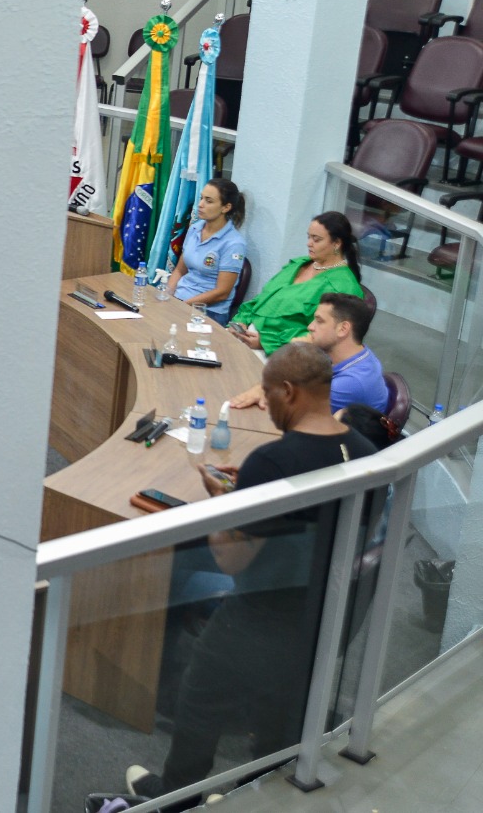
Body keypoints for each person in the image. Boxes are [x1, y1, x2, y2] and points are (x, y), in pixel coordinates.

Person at [124, 344, 377, 807]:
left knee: (199, 703)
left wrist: (225, 502)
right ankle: (255, 800)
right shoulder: (365, 452)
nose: (265, 404)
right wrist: (250, 493)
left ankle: (175, 799)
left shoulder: (272, 462)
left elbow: (231, 560)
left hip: (258, 617)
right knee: (277, 729)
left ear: (288, 391)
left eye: (267, 393)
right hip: (321, 619)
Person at [227, 211, 364, 354]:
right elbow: (261, 300)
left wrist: (266, 343)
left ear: (336, 243)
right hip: (248, 333)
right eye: (309, 237)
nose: (309, 243)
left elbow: (323, 336)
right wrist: (240, 322)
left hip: (286, 352)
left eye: (316, 240)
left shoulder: (344, 286)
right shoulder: (297, 265)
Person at [230, 294, 386, 414]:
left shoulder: (351, 383)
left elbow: (286, 409)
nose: (310, 327)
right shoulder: (350, 354)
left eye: (319, 321)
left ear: (343, 329)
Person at [166, 178, 247, 325]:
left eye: (209, 201)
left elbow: (222, 293)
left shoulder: (234, 243)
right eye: (201, 198)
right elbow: (180, 270)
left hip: (208, 311)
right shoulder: (195, 228)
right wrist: (167, 295)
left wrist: (183, 306)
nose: (200, 204)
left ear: (226, 207)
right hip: (180, 300)